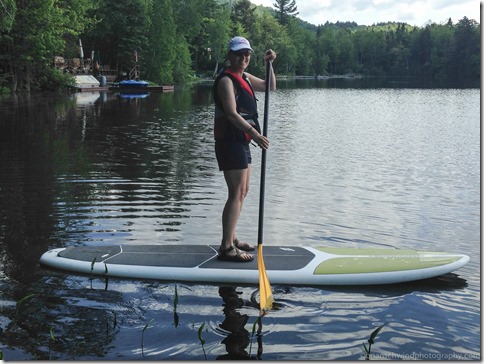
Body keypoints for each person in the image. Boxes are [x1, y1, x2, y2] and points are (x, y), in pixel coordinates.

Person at [213, 36, 276, 262]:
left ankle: (232, 238)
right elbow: (231, 113)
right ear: (230, 56)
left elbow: (270, 86)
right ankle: (226, 247)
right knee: (236, 193)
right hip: (230, 142)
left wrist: (269, 65)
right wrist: (257, 135)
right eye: (239, 54)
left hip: (242, 140)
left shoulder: (245, 77)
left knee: (243, 191)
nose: (244, 58)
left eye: (247, 54)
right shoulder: (226, 81)